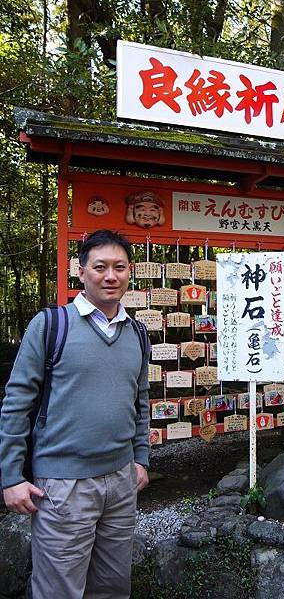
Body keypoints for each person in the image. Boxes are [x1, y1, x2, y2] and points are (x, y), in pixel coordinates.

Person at [0, 229, 150, 599]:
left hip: (120, 481)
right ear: (81, 272)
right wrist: (10, 476)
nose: (110, 276)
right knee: (59, 591)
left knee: (113, 587)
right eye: (100, 267)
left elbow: (140, 400)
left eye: (119, 267)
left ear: (130, 272)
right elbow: (17, 400)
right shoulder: (52, 325)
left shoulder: (137, 333)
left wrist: (141, 457)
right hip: (62, 485)